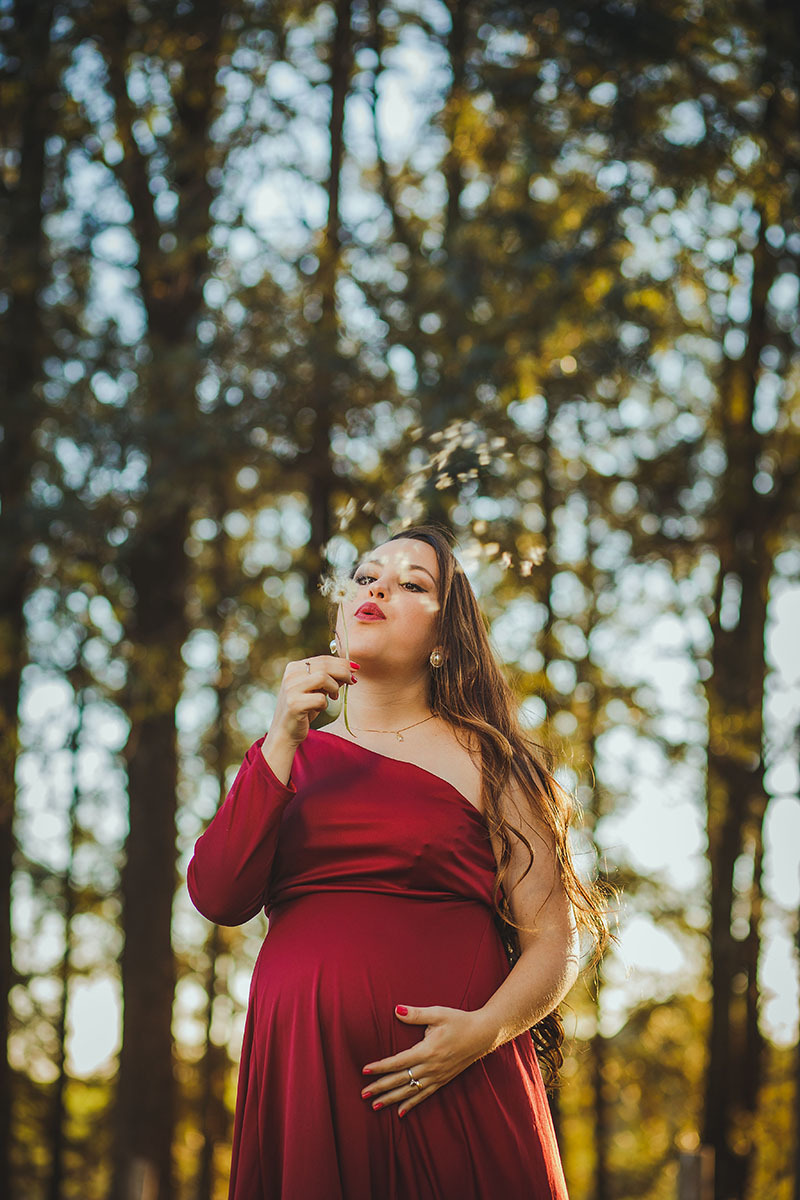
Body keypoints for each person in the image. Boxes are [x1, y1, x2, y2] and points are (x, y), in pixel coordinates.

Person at [187, 524, 609, 1199]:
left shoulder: (492, 762)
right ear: (340, 619)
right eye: (365, 577)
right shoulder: (283, 756)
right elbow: (218, 896)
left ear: (445, 639)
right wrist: (281, 737)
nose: (379, 588)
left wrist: (482, 1033)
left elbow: (556, 941)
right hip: (305, 1077)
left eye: (412, 584)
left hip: (452, 1079)